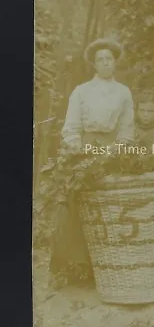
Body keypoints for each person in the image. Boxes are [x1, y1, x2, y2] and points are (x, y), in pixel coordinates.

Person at [49, 38, 135, 289]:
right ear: (94, 64)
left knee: (112, 207)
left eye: (109, 58)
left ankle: (110, 269)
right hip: (85, 151)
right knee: (74, 204)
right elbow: (72, 126)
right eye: (100, 60)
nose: (105, 63)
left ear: (115, 62)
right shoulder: (82, 91)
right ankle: (72, 266)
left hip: (113, 153)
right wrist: (80, 151)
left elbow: (127, 130)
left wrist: (113, 152)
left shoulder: (123, 92)